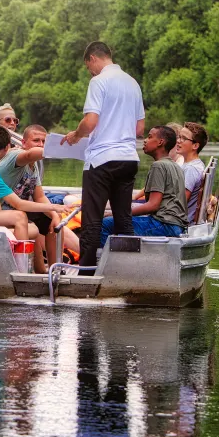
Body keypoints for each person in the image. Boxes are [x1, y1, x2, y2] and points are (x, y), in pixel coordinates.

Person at [61, 41, 146, 269]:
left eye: (88, 66)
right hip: (128, 159)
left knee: (92, 220)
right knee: (124, 219)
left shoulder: (98, 82)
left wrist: (76, 135)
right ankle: (127, 271)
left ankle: (86, 273)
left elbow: (90, 121)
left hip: (101, 160)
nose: (90, 70)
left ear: (92, 58)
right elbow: (139, 129)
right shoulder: (132, 83)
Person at [0, 124, 73, 273]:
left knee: (54, 222)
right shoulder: (16, 155)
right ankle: (31, 271)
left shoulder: (34, 166)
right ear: (23, 143)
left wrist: (54, 214)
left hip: (19, 209)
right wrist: (60, 149)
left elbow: (39, 196)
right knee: (31, 224)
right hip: (0, 210)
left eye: (44, 142)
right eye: (36, 140)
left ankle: (54, 270)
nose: (41, 144)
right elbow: (30, 154)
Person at [99, 126, 188, 249]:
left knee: (105, 224)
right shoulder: (176, 166)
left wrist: (117, 214)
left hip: (165, 225)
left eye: (150, 137)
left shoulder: (158, 166)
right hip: (176, 226)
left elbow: (153, 205)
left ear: (161, 142)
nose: (145, 140)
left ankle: (102, 264)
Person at [178, 122, 208, 223]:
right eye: (179, 137)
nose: (178, 141)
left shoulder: (191, 169)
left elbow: (180, 203)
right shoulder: (196, 164)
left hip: (180, 224)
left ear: (195, 145)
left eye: (183, 138)